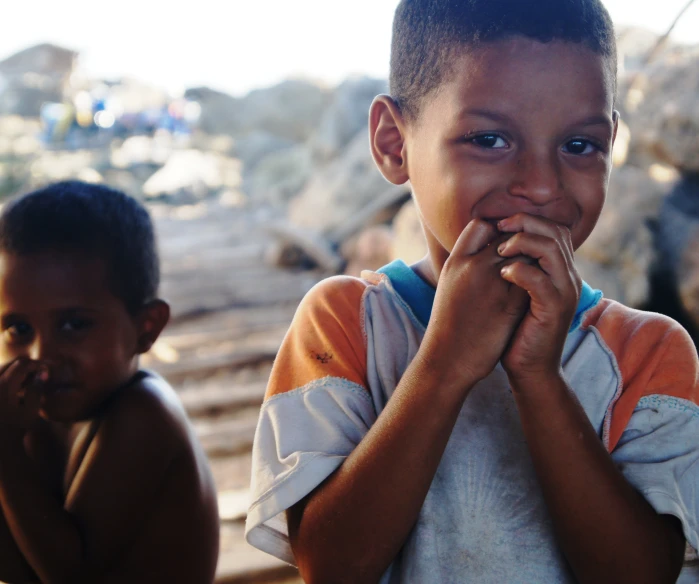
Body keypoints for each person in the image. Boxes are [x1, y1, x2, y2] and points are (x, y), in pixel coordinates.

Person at [245, 1, 699, 582]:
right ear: (393, 143)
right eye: (488, 139)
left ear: (612, 143)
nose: (539, 185)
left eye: (579, 146)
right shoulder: (346, 325)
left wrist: (540, 379)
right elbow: (332, 566)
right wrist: (442, 365)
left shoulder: (649, 352)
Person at [0, 180, 219, 583]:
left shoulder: (145, 415)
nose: (41, 355)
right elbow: (18, 566)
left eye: (73, 324)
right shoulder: (36, 417)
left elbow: (69, 574)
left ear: (146, 328)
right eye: (18, 328)